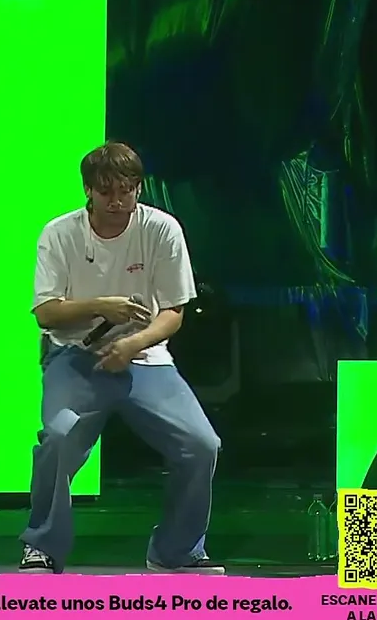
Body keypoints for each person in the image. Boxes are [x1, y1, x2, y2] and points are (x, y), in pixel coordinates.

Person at [19, 142, 224, 575]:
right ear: (88, 191)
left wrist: (133, 344)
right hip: (74, 356)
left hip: (145, 358)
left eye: (126, 190)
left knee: (201, 444)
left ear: (138, 188)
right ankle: (42, 547)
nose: (117, 201)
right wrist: (101, 307)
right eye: (106, 191)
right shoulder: (60, 233)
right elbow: (46, 312)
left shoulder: (162, 229)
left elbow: (173, 313)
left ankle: (176, 551)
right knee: (58, 437)